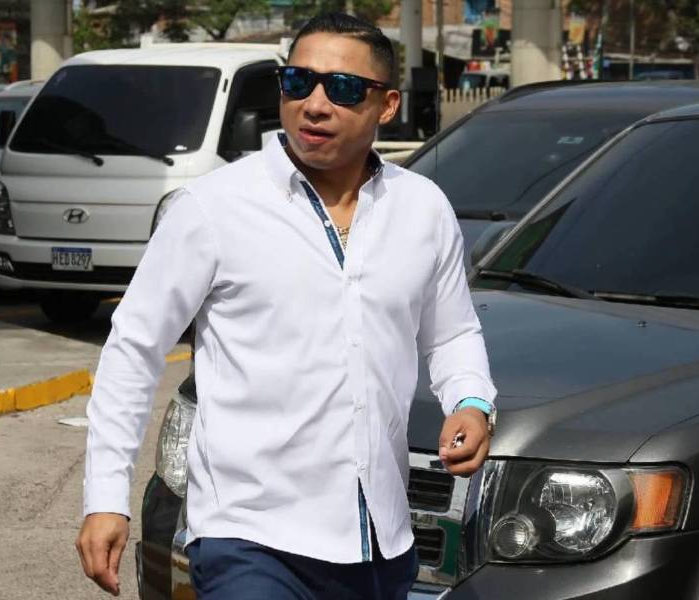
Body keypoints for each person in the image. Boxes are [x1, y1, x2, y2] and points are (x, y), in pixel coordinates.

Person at [76, 12, 497, 599]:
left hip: (379, 541)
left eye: (343, 88)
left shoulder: (423, 209)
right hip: (248, 538)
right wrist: (105, 497)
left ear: (387, 105)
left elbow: (451, 334)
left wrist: (471, 402)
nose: (315, 105)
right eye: (298, 82)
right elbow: (133, 349)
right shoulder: (212, 207)